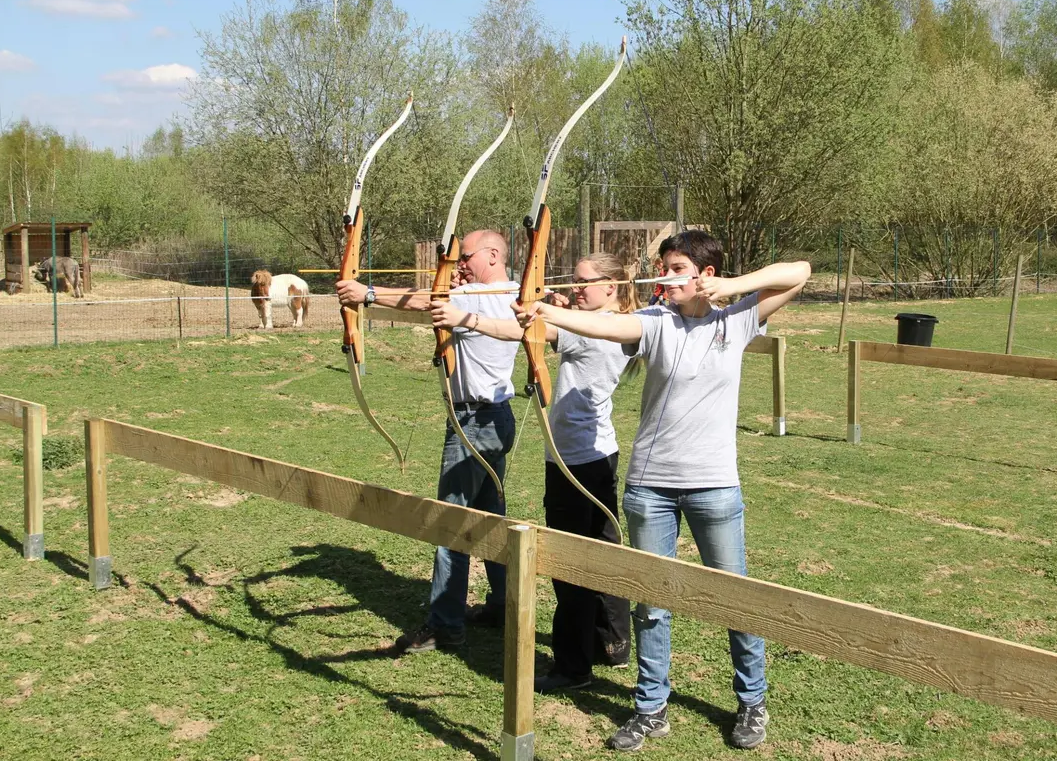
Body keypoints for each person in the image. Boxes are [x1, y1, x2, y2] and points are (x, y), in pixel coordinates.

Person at [514, 230, 810, 752]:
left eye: (674, 268)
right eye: (662, 267)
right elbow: (604, 325)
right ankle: (650, 709)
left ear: (705, 275)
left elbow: (801, 271)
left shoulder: (737, 318)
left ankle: (752, 701)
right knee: (653, 603)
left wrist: (734, 288)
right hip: (650, 488)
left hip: (715, 485)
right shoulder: (654, 322)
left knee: (735, 597)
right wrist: (547, 314)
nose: (662, 277)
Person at [432, 252, 634, 691]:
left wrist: (462, 315)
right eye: (575, 282)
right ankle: (613, 644)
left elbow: (512, 331)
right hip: (599, 455)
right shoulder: (619, 322)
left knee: (569, 565)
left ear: (612, 287)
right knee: (603, 551)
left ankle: (572, 668)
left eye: (585, 282)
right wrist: (555, 306)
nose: (577, 288)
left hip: (574, 461)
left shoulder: (585, 330)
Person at [336, 229, 520, 653]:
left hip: (474, 421)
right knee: (489, 516)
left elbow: (424, 301)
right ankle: (503, 605)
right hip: (493, 418)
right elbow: (435, 299)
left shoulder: (479, 296)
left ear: (493, 255)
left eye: (465, 257)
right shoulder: (506, 295)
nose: (457, 267)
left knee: (449, 521)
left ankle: (445, 625)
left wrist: (366, 293)